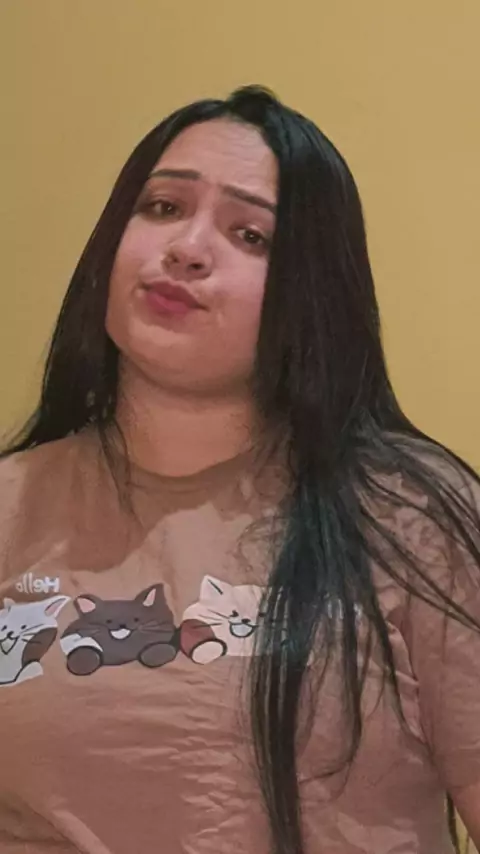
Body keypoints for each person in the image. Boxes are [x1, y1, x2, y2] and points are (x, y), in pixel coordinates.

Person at [0, 84, 479, 854]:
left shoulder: (408, 514)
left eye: (251, 235)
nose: (187, 248)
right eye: (162, 207)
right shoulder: (12, 505)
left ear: (311, 288)